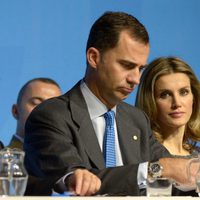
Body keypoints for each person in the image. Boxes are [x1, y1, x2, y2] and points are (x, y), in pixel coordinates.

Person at [24, 11, 199, 196]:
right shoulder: (52, 116)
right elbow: (77, 182)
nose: (136, 79)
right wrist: (153, 170)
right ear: (94, 58)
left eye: (140, 69)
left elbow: (176, 175)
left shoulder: (137, 120)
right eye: (126, 65)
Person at [135, 56, 200, 195]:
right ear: (150, 101)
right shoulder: (140, 155)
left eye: (184, 92)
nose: (177, 103)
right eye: (165, 95)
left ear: (194, 98)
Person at [8, 77, 62, 149]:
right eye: (36, 103)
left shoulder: (75, 158)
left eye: (54, 106)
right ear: (16, 111)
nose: (47, 111)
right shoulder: (3, 159)